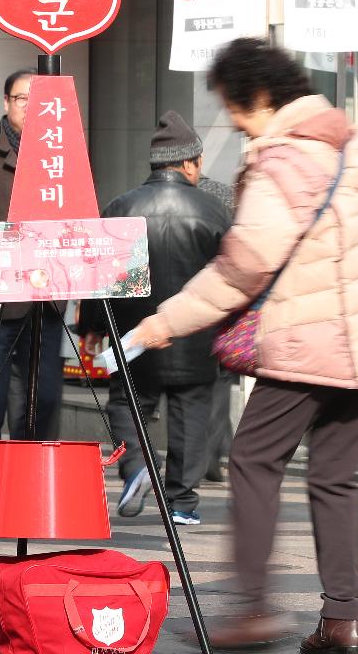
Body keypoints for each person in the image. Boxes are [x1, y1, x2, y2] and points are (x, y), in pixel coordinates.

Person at [133, 38, 358, 653]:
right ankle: (342, 621)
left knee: (253, 462)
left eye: (235, 110)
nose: (235, 124)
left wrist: (163, 322)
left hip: (305, 342)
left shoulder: (284, 162)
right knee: (335, 478)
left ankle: (253, 611)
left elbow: (244, 267)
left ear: (262, 98)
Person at [80, 111, 231, 525]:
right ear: (187, 163)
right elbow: (231, 273)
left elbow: (102, 275)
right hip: (196, 334)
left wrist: (92, 326)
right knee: (191, 413)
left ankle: (137, 471)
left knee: (128, 405)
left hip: (136, 335)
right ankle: (181, 502)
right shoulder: (214, 210)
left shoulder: (122, 206)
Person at [0, 68, 64, 469]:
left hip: (46, 300)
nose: (30, 107)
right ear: (6, 103)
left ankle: (31, 475)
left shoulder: (60, 158)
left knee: (45, 394)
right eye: (23, 99)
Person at [197, 173, 236, 483]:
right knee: (219, 383)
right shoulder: (227, 198)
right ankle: (213, 454)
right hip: (220, 304)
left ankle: (217, 450)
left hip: (186, 305)